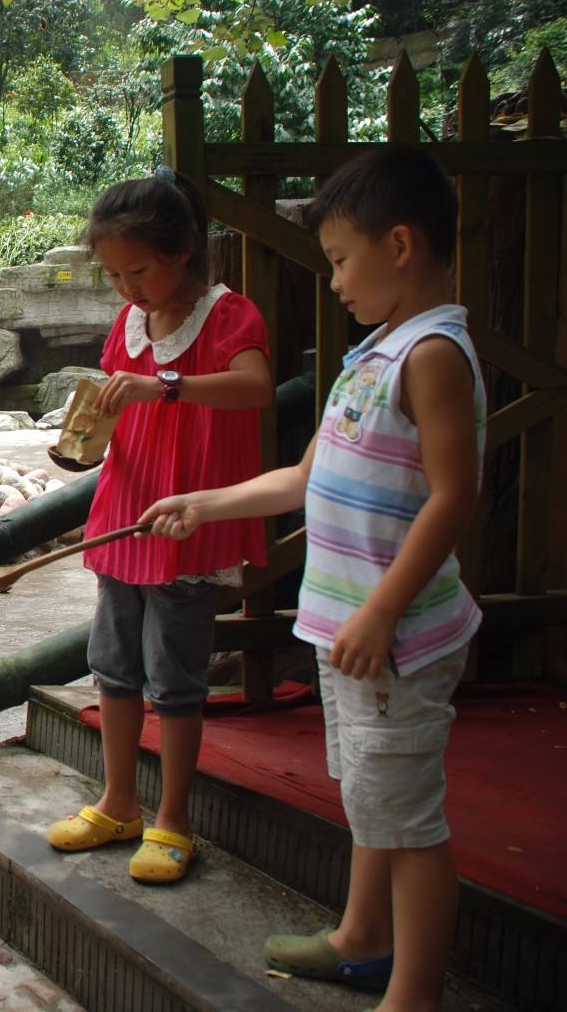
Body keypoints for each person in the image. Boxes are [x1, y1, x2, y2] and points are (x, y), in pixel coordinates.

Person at [143, 147, 482, 1003]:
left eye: (338, 260)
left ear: (399, 243)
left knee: (409, 823)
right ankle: (363, 936)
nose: (331, 282)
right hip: (351, 634)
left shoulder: (433, 354)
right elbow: (306, 477)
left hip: (391, 639)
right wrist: (206, 501)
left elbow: (453, 497)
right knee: (373, 798)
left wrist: (380, 612)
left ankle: (413, 993)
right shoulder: (374, 353)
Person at [43, 166, 272, 886]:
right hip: (125, 512)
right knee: (112, 666)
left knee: (174, 678)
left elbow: (255, 387)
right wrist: (84, 431)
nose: (126, 288)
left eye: (137, 270)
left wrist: (164, 386)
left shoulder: (229, 315)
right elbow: (118, 409)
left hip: (186, 521)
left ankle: (173, 818)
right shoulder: (129, 324)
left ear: (182, 251)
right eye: (113, 274)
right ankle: (118, 803)